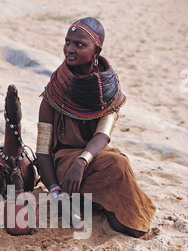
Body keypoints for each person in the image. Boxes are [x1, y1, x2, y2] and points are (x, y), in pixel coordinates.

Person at [36, 17, 156, 238]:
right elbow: (42, 150)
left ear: (96, 51)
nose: (69, 49)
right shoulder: (55, 89)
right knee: (117, 164)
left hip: (91, 158)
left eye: (79, 45)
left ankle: (98, 205)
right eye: (67, 42)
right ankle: (86, 201)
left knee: (119, 163)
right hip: (63, 164)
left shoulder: (108, 89)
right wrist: (54, 192)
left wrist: (82, 161)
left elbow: (103, 134)